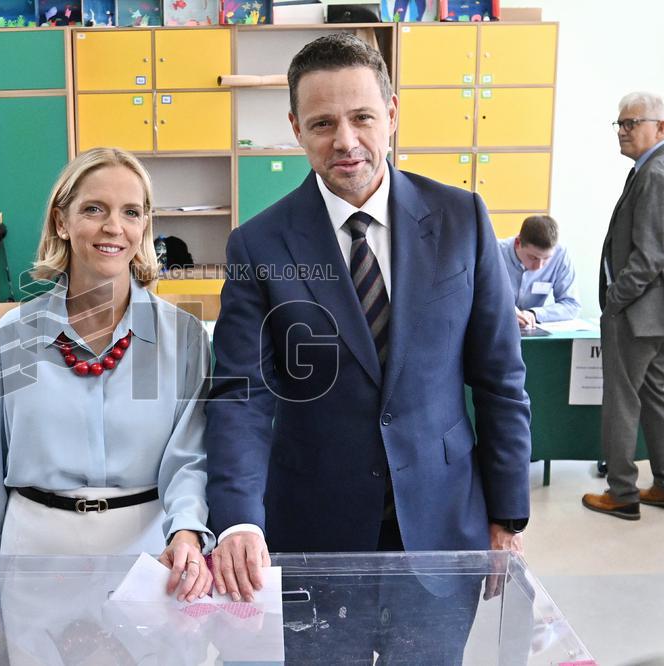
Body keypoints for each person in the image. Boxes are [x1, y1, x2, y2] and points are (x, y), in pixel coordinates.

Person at [204, 33, 531, 660]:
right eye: (323, 123)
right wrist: (239, 518)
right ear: (297, 128)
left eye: (362, 118)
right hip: (314, 535)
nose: (346, 141)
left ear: (393, 114)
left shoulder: (462, 218)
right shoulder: (259, 245)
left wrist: (508, 516)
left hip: (440, 531)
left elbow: (499, 379)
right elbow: (240, 396)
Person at [0, 148, 213, 660]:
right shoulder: (16, 336)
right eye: (94, 209)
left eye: (131, 212)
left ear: (145, 226)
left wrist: (188, 531)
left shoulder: (181, 337)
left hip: (145, 558)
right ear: (62, 219)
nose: (112, 227)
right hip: (36, 558)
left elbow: (192, 458)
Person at [582, 91, 664, 520]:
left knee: (621, 402)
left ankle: (621, 492)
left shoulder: (654, 174)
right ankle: (663, 484)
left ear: (660, 128)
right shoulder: (649, 170)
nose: (623, 131)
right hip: (655, 317)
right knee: (656, 401)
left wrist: (616, 300)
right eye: (619, 124)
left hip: (634, 314)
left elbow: (650, 256)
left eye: (632, 123)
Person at [498, 215, 581, 328]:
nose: (539, 266)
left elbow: (572, 305)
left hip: (533, 328)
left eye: (546, 259)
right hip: (497, 327)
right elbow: (479, 298)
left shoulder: (560, 255)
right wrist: (506, 312)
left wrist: (534, 314)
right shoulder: (495, 252)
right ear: (518, 243)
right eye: (533, 258)